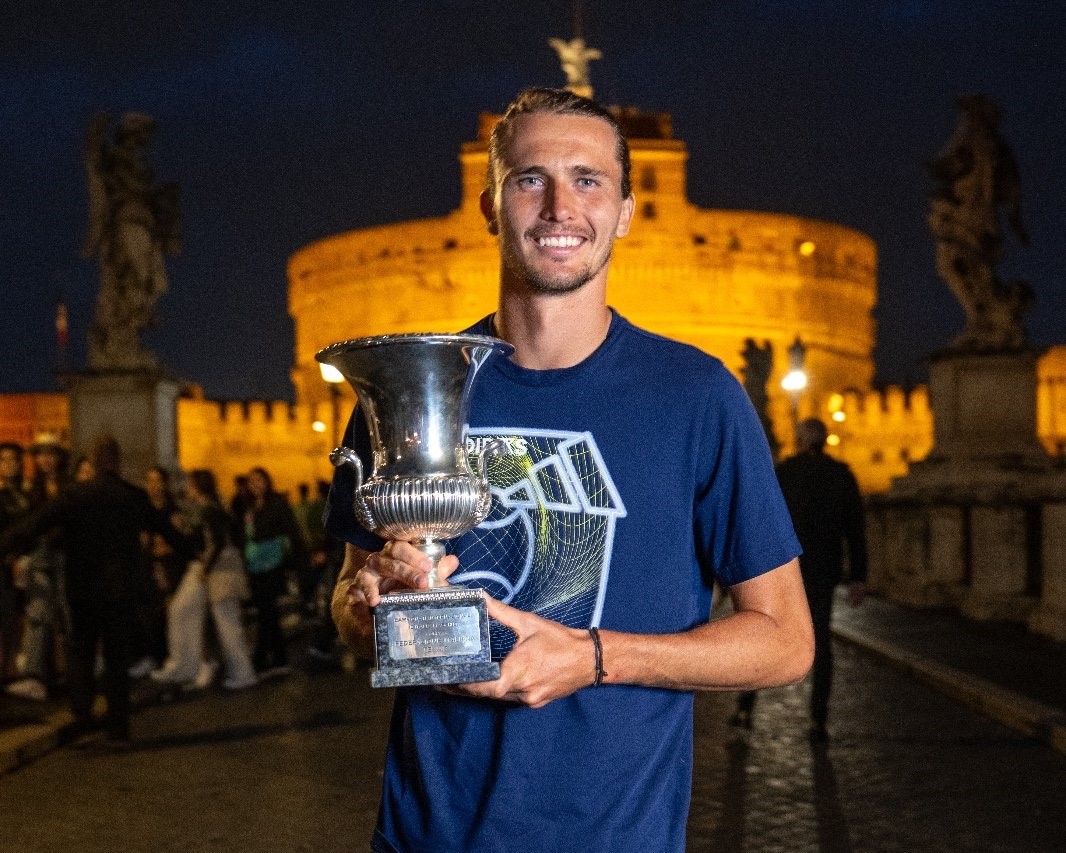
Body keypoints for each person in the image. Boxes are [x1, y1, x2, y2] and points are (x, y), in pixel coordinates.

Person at [327, 87, 814, 853]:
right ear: (488, 206)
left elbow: (787, 641)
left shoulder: (698, 397)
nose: (560, 207)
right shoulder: (405, 385)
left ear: (626, 210)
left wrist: (592, 657)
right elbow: (351, 606)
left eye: (588, 180)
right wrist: (368, 613)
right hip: (429, 834)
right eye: (530, 179)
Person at [0, 436, 177, 742]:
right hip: (122, 591)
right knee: (116, 656)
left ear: (94, 462)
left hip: (84, 590)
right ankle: (118, 723)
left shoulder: (76, 495)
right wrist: (192, 552)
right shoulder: (132, 496)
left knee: (81, 653)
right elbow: (167, 529)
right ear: (117, 461)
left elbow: (34, 525)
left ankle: (82, 715)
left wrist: (6, 544)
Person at [732, 418, 867, 741]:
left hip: (784, 571)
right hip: (823, 572)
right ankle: (818, 719)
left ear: (802, 440)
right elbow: (856, 529)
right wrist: (859, 576)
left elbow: (760, 522)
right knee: (820, 644)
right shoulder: (841, 475)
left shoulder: (785, 473)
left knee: (764, 636)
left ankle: (745, 707)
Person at [4, 433, 72, 701]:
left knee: (68, 615)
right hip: (41, 556)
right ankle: (34, 676)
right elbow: (27, 528)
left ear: (59, 457)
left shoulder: (69, 487)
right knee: (37, 615)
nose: (45, 459)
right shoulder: (33, 490)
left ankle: (70, 674)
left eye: (50, 453)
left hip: (67, 557)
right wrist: (21, 556)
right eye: (40, 454)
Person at [243, 466, 304, 677]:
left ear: (267, 482)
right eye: (251, 481)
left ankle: (262, 659)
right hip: (256, 566)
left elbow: (291, 532)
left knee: (267, 612)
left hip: (272, 565)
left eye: (259, 480)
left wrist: (296, 563)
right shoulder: (250, 507)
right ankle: (276, 659)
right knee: (267, 613)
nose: (255, 485)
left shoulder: (277, 504)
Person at [0, 441, 30, 680]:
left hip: (20, 562)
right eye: (4, 460)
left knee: (14, 619)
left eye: (14, 460)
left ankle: (9, 667)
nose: (10, 465)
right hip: (5, 563)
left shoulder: (22, 494)